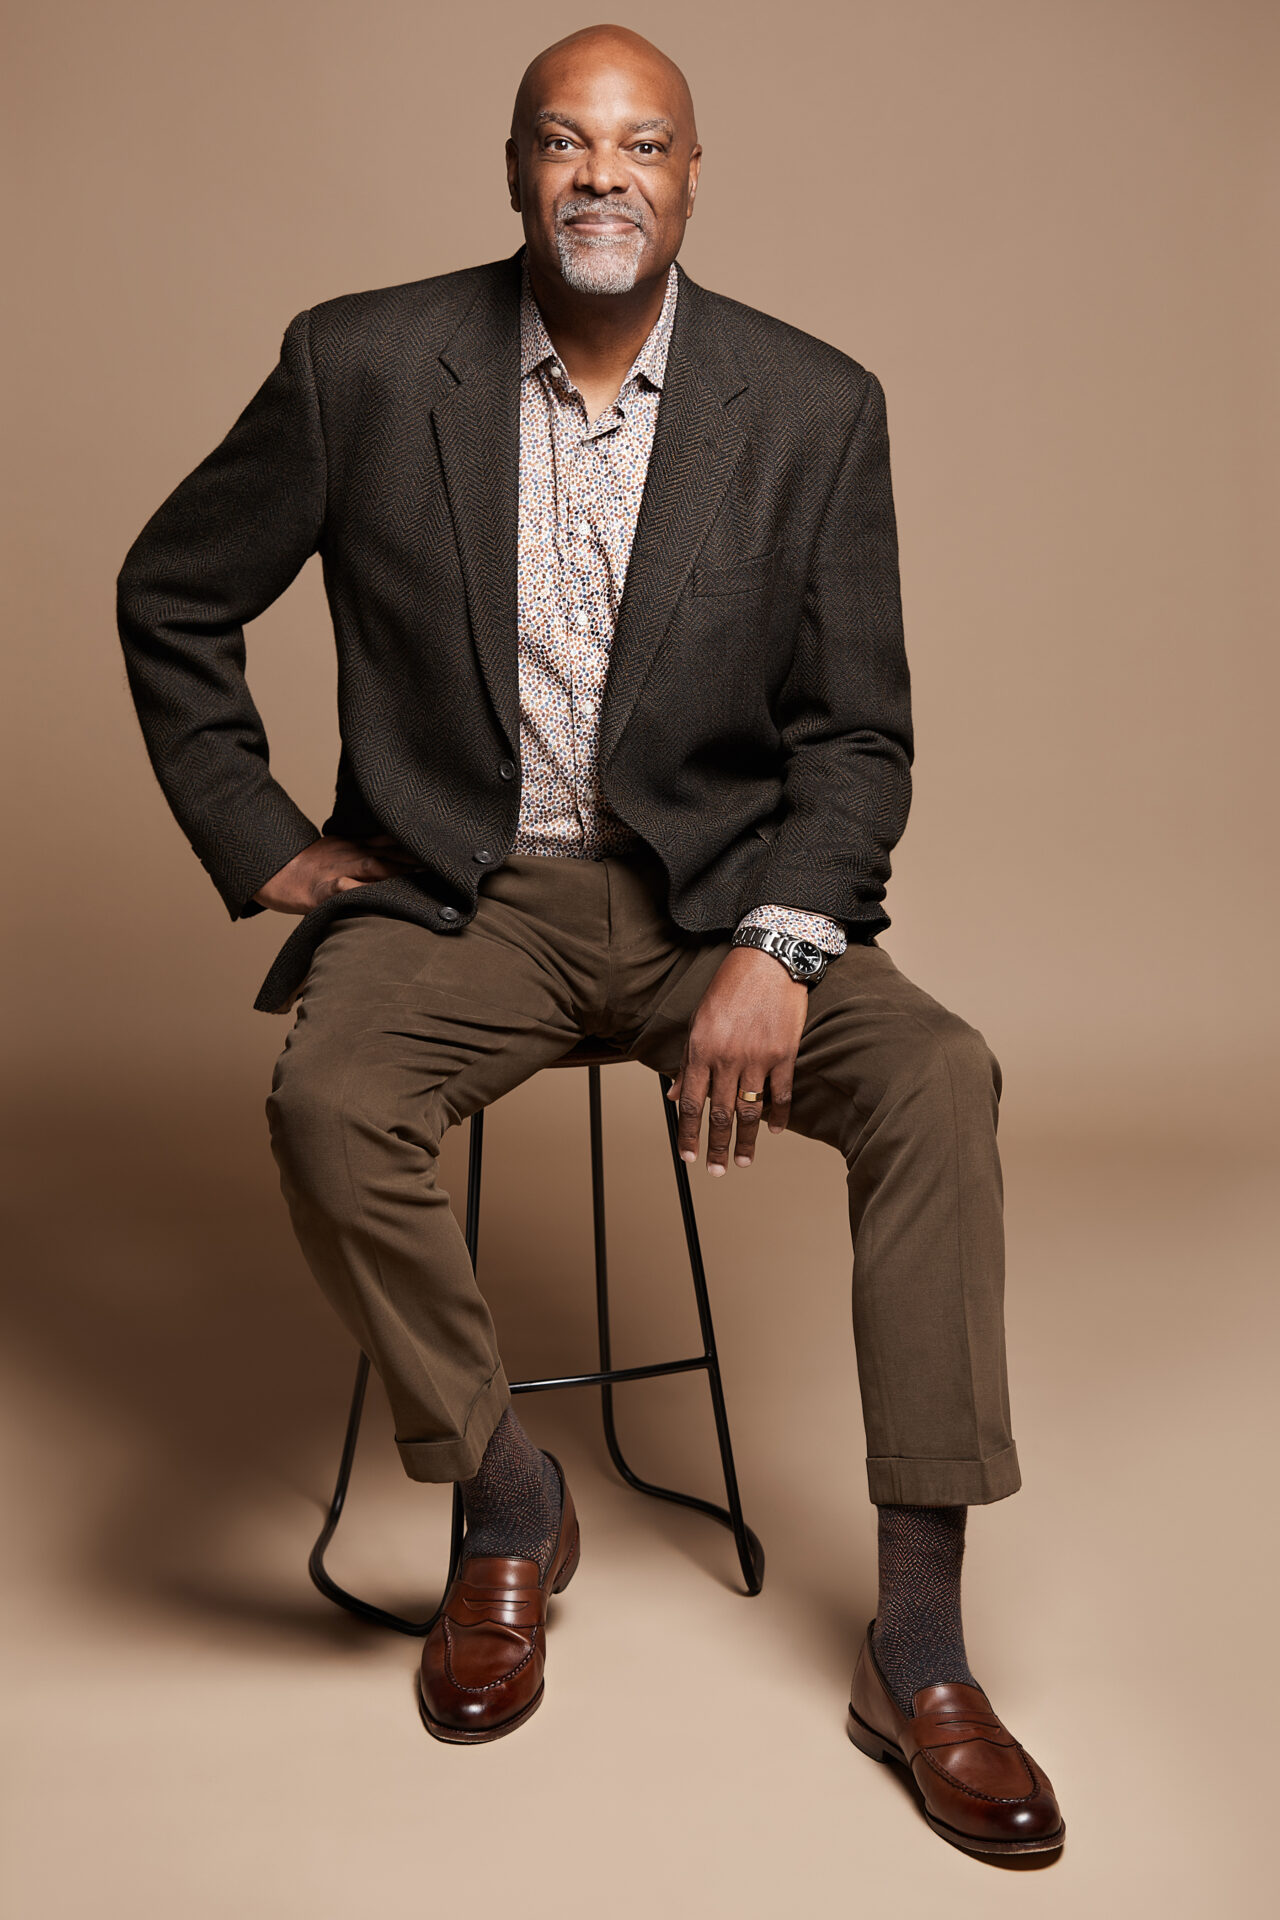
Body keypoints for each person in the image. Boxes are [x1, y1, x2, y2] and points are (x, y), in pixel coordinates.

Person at [116, 23, 1063, 1857]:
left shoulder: (811, 405)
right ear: (516, 173)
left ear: (693, 177)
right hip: (463, 898)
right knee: (328, 1107)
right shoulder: (364, 365)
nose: (602, 175)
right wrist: (268, 845)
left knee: (941, 1075)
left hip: (720, 894)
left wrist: (782, 949)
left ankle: (922, 1648)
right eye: (565, 142)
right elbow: (173, 594)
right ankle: (504, 1493)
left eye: (641, 144)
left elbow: (856, 739)